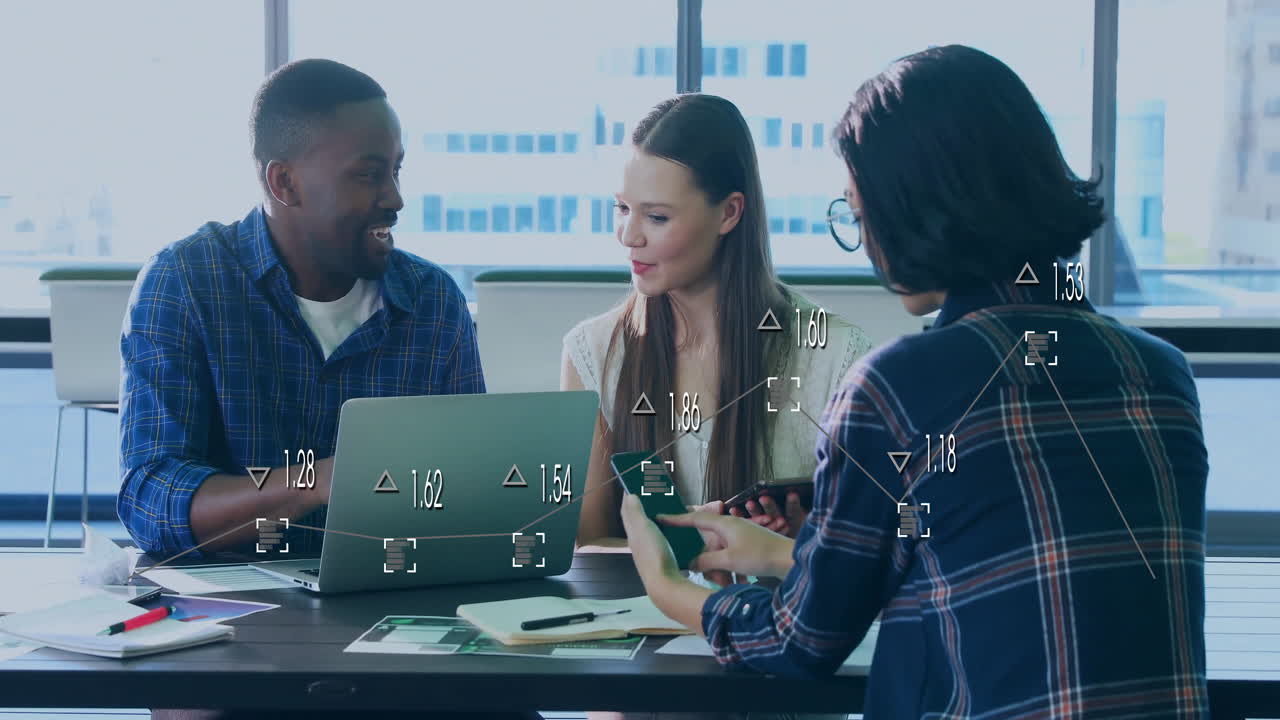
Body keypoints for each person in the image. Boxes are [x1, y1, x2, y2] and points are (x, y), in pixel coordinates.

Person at [621, 45, 1209, 719]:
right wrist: (801, 550)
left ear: (913, 209)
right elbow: (993, 556)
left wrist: (668, 585)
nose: (867, 242)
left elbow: (798, 643)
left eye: (859, 213)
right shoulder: (1162, 376)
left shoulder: (898, 387)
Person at [117, 60, 537, 720]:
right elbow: (150, 497)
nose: (395, 197)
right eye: (369, 174)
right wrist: (327, 479)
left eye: (398, 170)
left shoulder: (433, 303)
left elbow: (469, 508)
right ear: (284, 183)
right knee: (197, 705)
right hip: (231, 619)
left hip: (394, 611)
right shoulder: (186, 283)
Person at [562, 94, 871, 555]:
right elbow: (584, 545)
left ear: (729, 213)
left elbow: (870, 544)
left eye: (657, 216)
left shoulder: (836, 355)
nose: (629, 236)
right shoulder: (594, 352)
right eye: (623, 209)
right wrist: (692, 546)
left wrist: (800, 541)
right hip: (641, 623)